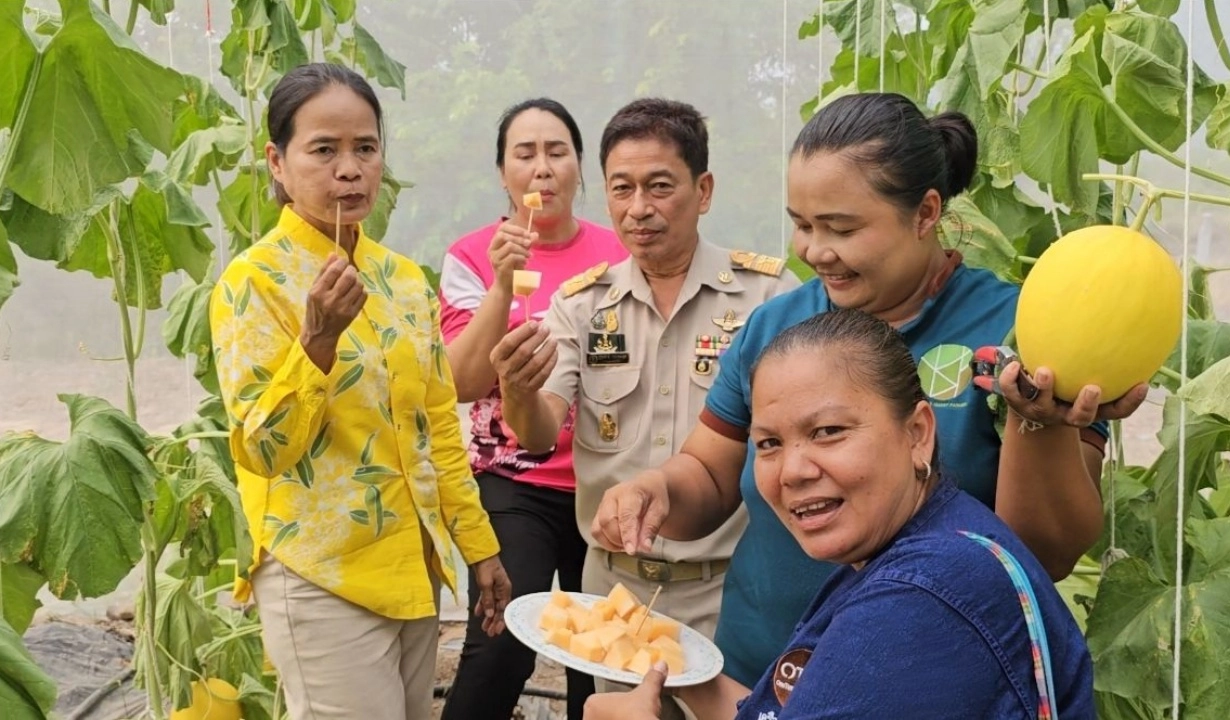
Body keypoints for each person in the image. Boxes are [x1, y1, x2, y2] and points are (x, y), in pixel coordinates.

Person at [591, 92, 1146, 687]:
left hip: (919, 681)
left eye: (842, 228)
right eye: (802, 225)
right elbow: (710, 472)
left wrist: (1038, 423)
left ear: (926, 213)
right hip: (751, 677)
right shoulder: (776, 325)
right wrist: (656, 492)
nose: (813, 251)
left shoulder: (1022, 334)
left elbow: (1044, 556)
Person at [584, 308, 1097, 719]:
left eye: (828, 432)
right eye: (767, 443)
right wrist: (684, 670)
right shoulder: (911, 546)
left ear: (918, 433)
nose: (792, 471)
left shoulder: (919, 598)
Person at [209, 62, 511, 720]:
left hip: (414, 573)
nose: (350, 169)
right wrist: (316, 342)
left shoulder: (401, 280)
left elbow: (437, 430)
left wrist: (478, 546)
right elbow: (262, 451)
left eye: (366, 148)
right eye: (324, 150)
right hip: (320, 577)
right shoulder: (252, 282)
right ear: (277, 163)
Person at [489, 97, 799, 719]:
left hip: (730, 586)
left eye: (660, 187)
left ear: (703, 189)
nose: (639, 209)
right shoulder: (583, 304)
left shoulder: (769, 297)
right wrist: (517, 391)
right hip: (616, 594)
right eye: (622, 189)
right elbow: (541, 431)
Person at [437, 98, 628, 720]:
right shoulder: (471, 256)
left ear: (580, 169)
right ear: (502, 172)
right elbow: (462, 383)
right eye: (525, 153)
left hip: (605, 482)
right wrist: (502, 283)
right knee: (500, 650)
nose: (542, 168)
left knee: (597, 660)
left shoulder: (620, 256)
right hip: (512, 481)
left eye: (557, 152)